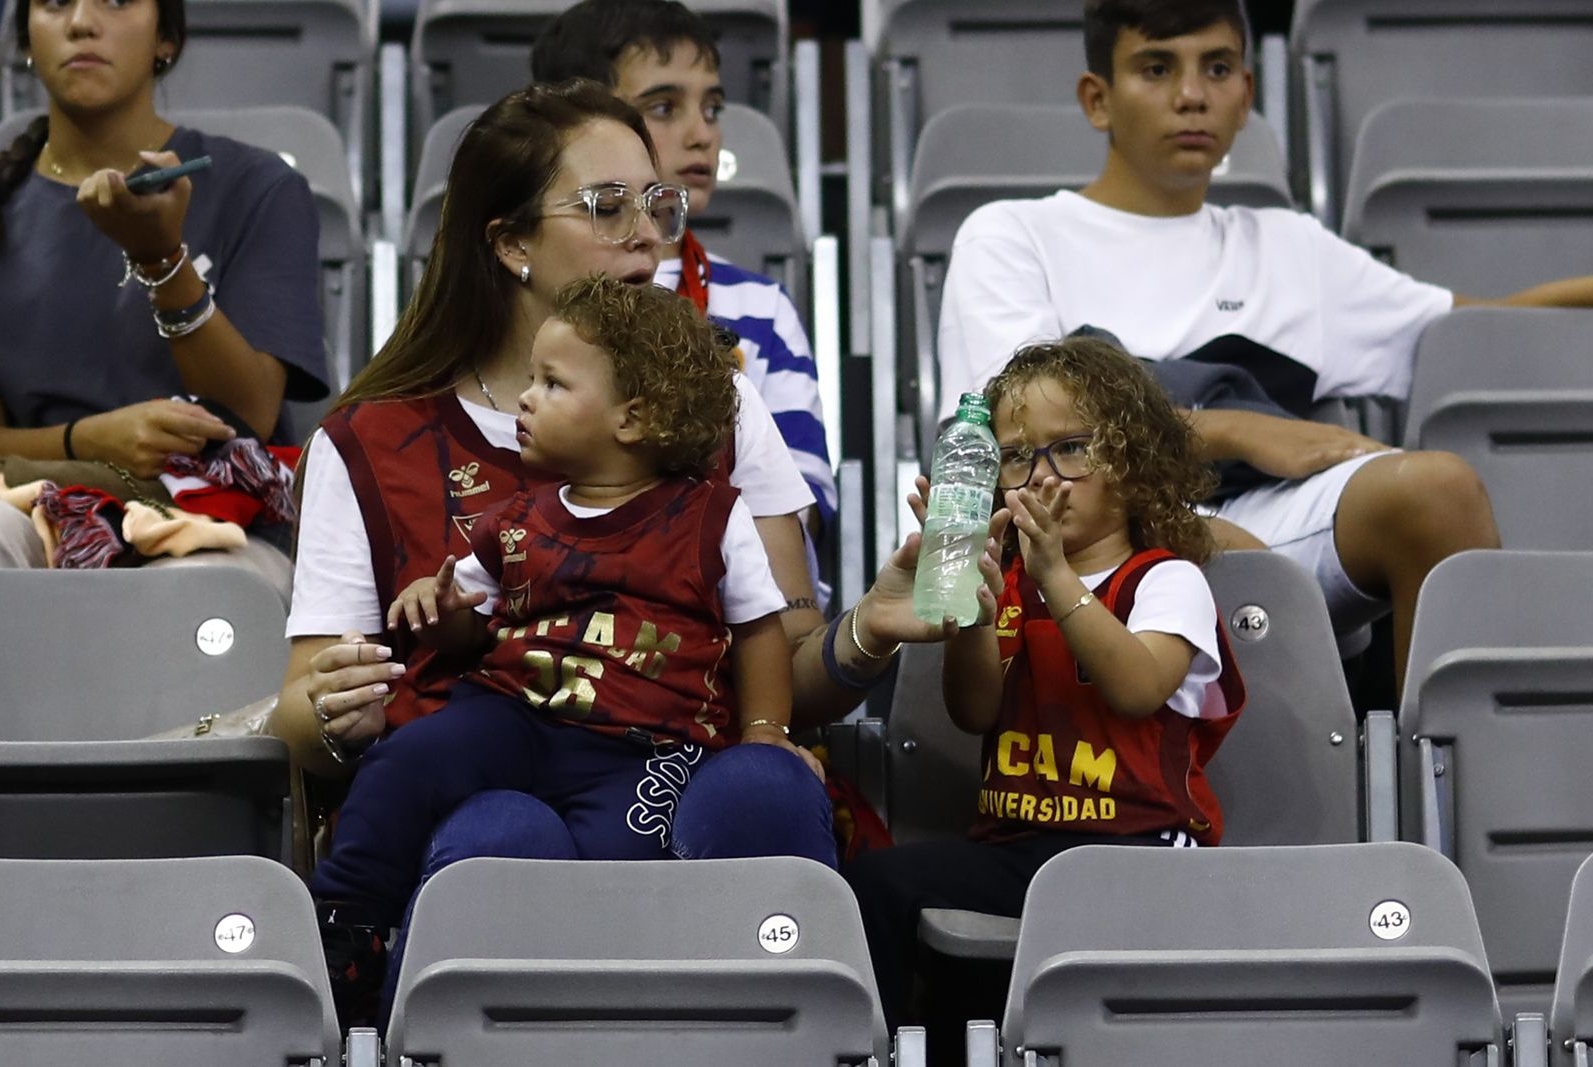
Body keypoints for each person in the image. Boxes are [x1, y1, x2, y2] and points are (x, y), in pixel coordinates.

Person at [273, 78, 946, 1017]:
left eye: (657, 204)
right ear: (509, 242)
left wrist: (867, 629)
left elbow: (782, 664)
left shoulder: (717, 408)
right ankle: (358, 961)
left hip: (676, 760)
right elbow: (300, 717)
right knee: (501, 827)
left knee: (761, 785)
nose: (647, 236)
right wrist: (333, 710)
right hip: (484, 771)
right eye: (606, 206)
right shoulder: (369, 443)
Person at [936, 0, 1593, 693]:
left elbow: (1474, 327)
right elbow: (1012, 443)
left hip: (1266, 515)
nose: (1192, 95)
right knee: (1222, 551)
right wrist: (1238, 431)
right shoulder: (1013, 234)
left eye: (1218, 68)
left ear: (1246, 94)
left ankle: (1439, 759)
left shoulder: (1290, 246)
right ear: (1098, 99)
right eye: (1157, 69)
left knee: (1438, 490)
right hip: (1092, 524)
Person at [311, 273, 832, 1026]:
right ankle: (347, 924)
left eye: (552, 384)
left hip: (646, 743)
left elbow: (759, 630)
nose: (525, 399)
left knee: (610, 877)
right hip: (512, 717)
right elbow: (472, 628)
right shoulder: (513, 518)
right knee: (406, 761)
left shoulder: (712, 518)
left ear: (632, 417)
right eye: (531, 380)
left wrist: (764, 732)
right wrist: (442, 612)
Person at [846, 336, 1246, 1031]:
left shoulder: (1165, 579)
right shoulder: (1009, 586)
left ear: (1133, 462)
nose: (1040, 476)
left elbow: (1138, 687)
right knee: (877, 884)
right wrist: (973, 607)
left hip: (1139, 852)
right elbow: (973, 711)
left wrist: (1055, 576)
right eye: (1016, 456)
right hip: (1019, 848)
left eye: (1071, 449)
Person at [0, 0, 329, 588]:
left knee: (200, 586)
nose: (81, 21)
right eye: (54, 2)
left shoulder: (259, 187)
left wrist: (163, 260)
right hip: (30, 503)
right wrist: (87, 443)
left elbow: (248, 413)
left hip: (216, 519)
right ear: (25, 39)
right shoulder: (3, 204)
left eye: (117, 0)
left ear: (165, 38)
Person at [532, 0, 836, 532]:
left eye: (712, 108)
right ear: (581, 124)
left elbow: (802, 503)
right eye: (664, 107)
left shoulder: (761, 307)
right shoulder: (536, 296)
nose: (703, 134)